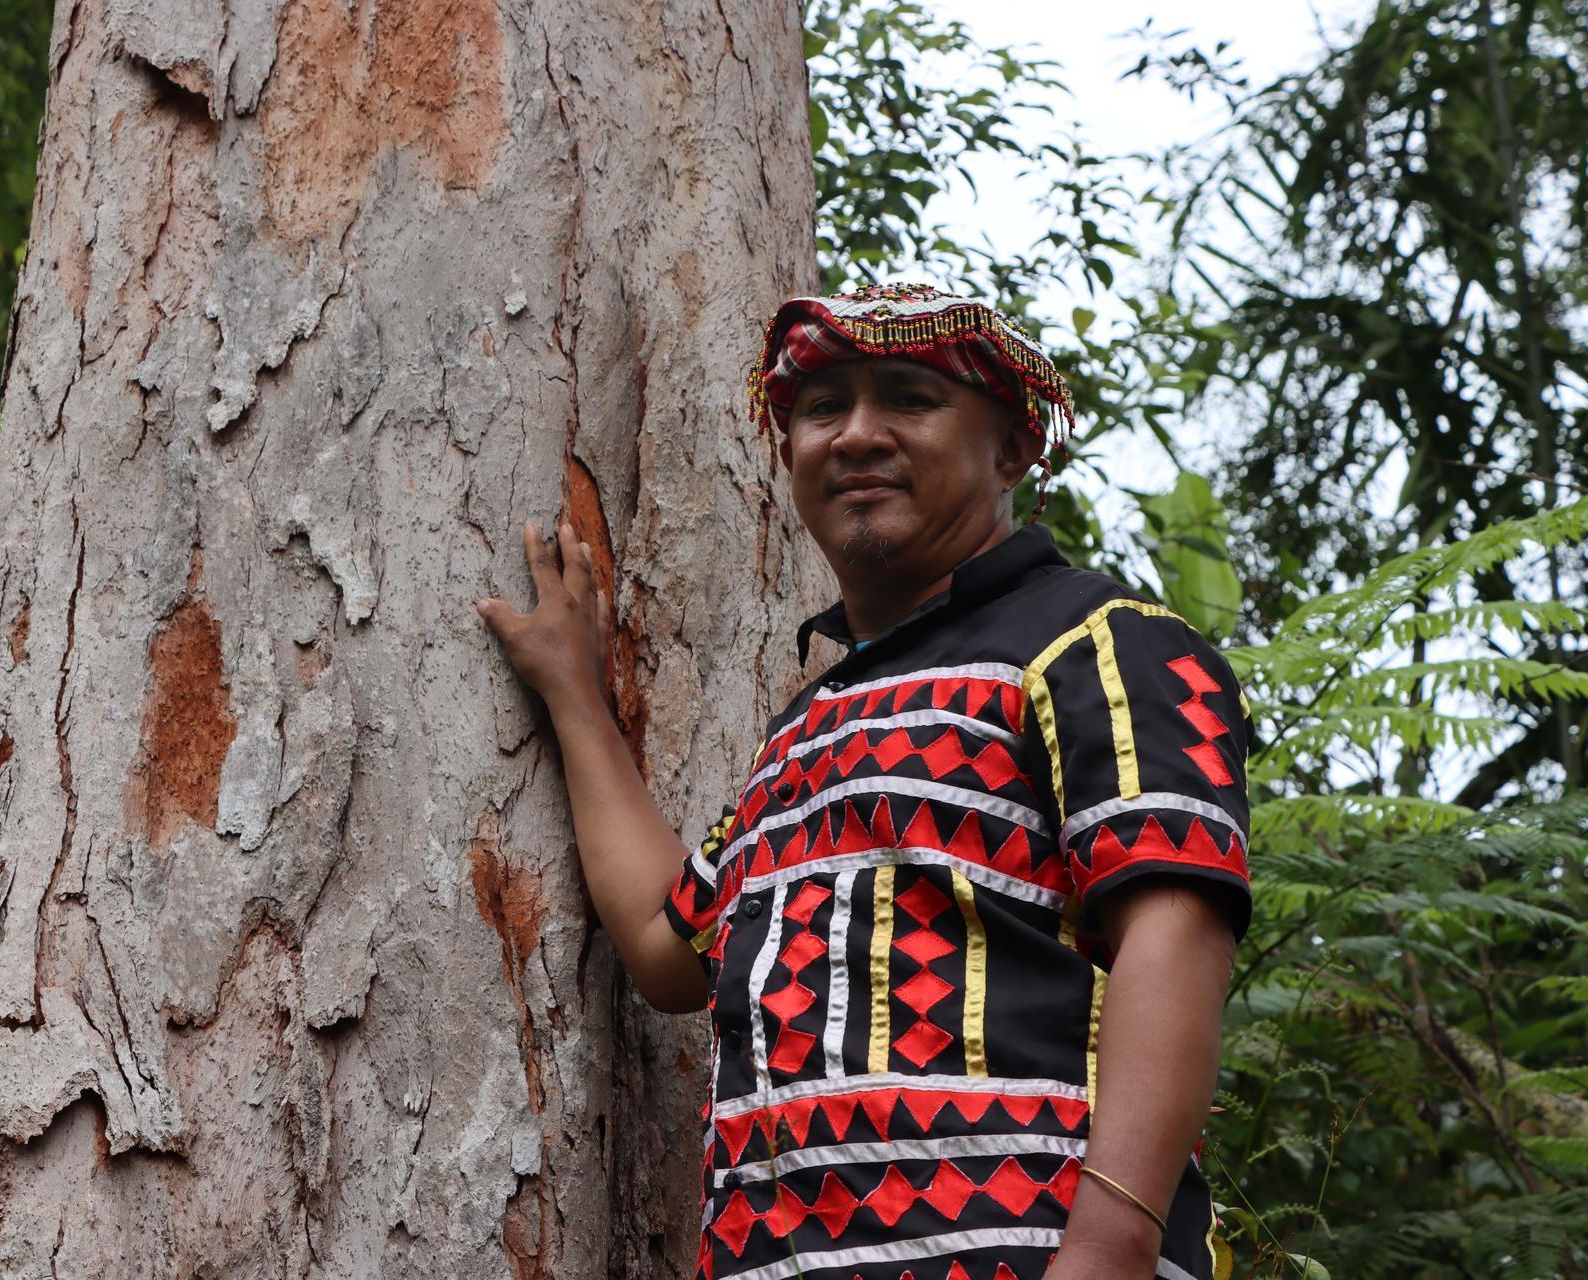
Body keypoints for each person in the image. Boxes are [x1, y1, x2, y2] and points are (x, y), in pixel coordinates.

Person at [476, 282, 1252, 1280]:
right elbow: (671, 949)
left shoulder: (1102, 642)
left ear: (1013, 446)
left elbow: (1177, 929)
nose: (856, 434)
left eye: (909, 399)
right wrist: (576, 697)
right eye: (821, 407)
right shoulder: (808, 726)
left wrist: (1109, 1247)